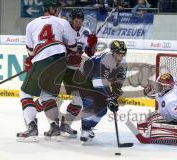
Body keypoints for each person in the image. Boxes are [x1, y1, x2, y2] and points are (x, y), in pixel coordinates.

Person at [16, 0, 73, 142]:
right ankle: (54, 127)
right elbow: (72, 46)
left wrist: (30, 61)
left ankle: (32, 127)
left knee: (25, 93)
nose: (59, 11)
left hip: (43, 59)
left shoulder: (31, 24)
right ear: (52, 9)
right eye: (57, 8)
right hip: (61, 61)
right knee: (48, 96)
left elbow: (30, 51)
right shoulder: (62, 22)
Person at [74, 40, 127, 142]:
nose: (121, 56)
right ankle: (85, 129)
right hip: (83, 81)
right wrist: (110, 98)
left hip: (95, 82)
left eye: (123, 54)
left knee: (103, 109)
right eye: (118, 54)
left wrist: (114, 95)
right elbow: (98, 82)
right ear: (113, 52)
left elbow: (119, 80)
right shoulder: (106, 60)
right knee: (92, 105)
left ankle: (88, 128)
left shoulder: (123, 63)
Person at [59, 9, 98, 137]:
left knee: (78, 101)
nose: (78, 23)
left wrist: (92, 43)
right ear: (71, 20)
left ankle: (66, 125)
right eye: (76, 21)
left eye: (80, 21)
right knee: (77, 100)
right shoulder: (64, 30)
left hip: (76, 70)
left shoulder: (85, 31)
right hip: (64, 69)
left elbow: (90, 53)